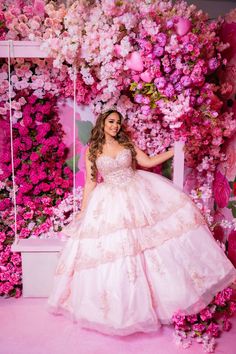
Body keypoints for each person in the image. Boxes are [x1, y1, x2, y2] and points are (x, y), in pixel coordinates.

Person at [46, 110, 236, 336]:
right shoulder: (94, 151)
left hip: (139, 192)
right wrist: (83, 211)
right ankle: (123, 308)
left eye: (118, 122)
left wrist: (174, 151)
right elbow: (89, 182)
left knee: (155, 242)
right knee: (118, 249)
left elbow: (146, 162)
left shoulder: (127, 144)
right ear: (103, 124)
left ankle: (167, 298)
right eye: (111, 122)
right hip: (110, 201)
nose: (115, 126)